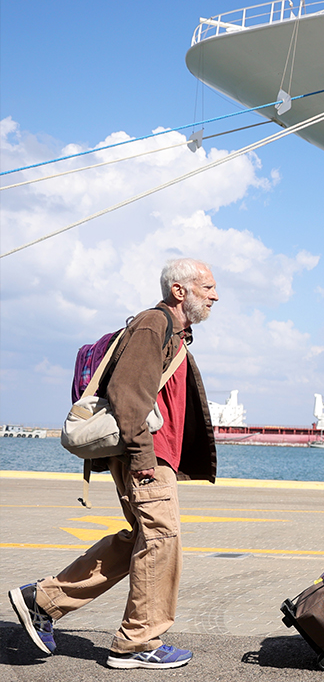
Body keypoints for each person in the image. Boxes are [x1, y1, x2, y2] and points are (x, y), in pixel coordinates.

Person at [8, 258, 220, 669]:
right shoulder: (152, 325)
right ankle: (138, 643)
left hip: (150, 455)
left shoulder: (173, 332)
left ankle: (43, 600)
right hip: (146, 456)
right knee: (162, 541)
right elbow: (126, 392)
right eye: (207, 287)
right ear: (180, 290)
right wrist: (142, 456)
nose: (215, 296)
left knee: (143, 540)